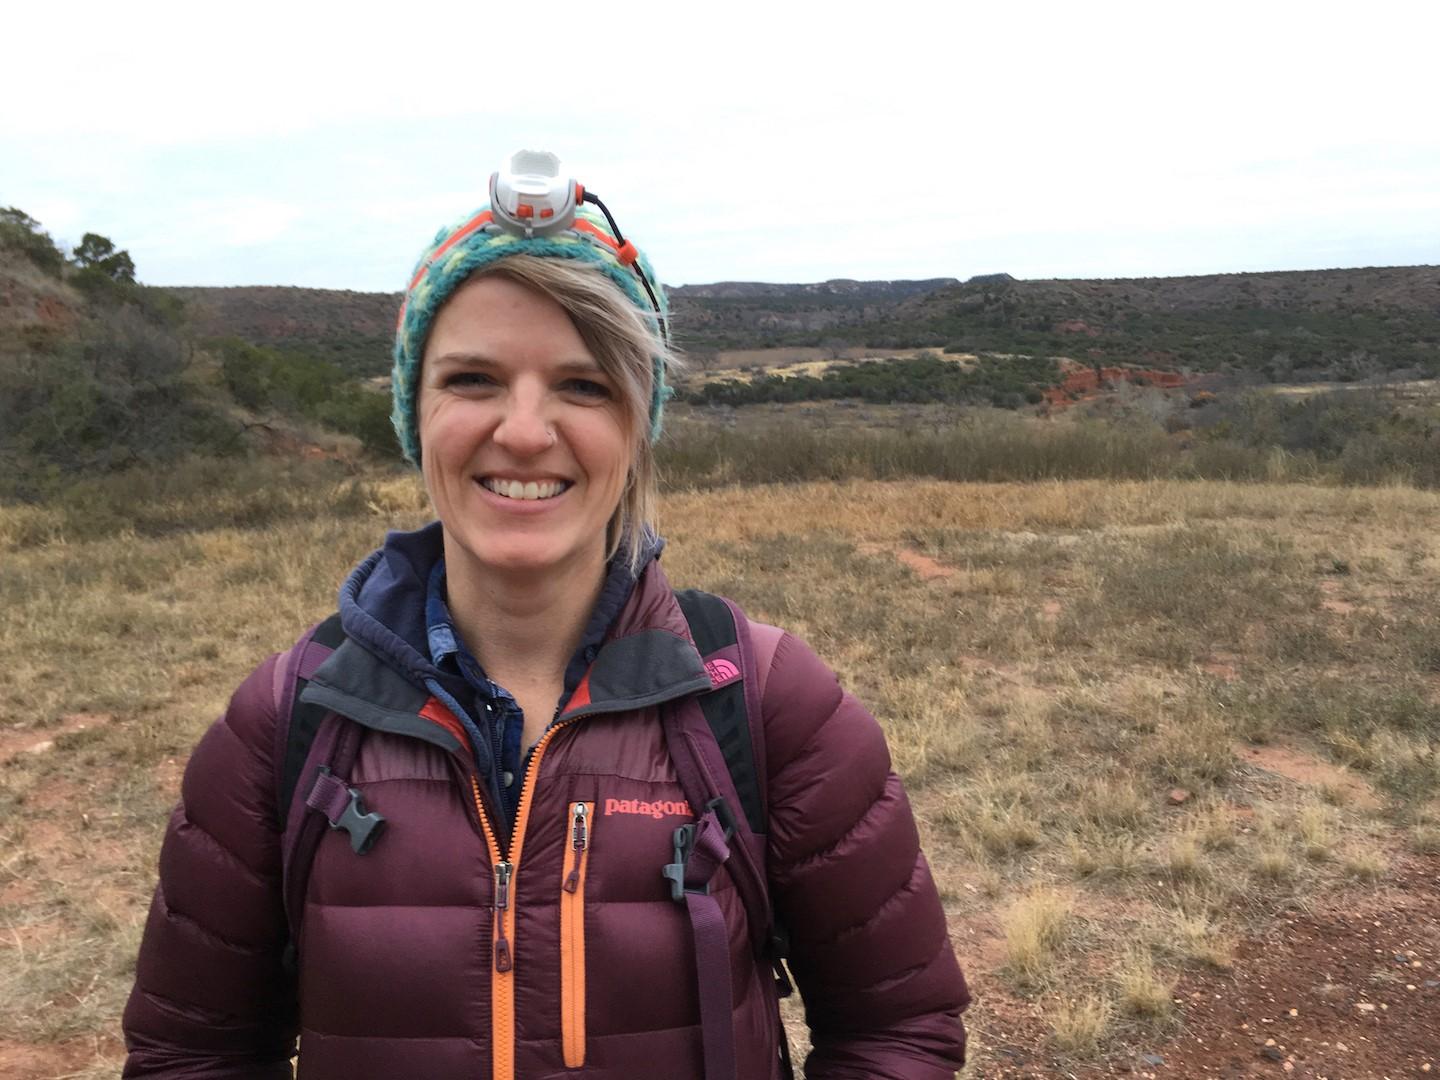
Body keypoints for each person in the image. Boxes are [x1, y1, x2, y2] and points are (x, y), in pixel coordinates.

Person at [122, 153, 969, 1079]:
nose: (525, 432)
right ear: (414, 412)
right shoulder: (286, 721)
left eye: (584, 385)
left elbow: (897, 1031)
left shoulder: (770, 705)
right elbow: (191, 1054)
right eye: (473, 380)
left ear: (639, 426)